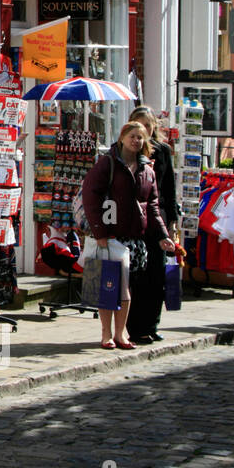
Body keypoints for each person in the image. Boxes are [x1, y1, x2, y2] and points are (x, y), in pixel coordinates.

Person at [80, 122, 176, 351]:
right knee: (109, 287)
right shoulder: (108, 164)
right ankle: (106, 334)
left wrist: (163, 234)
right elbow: (90, 197)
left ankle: (121, 333)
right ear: (122, 137)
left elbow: (152, 206)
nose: (136, 141)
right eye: (132, 136)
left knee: (127, 289)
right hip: (111, 235)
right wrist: (99, 232)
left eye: (140, 138)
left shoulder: (147, 169)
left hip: (135, 239)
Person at [125, 106, 179, 344]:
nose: (145, 130)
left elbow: (169, 187)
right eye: (140, 125)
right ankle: (135, 327)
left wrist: (173, 220)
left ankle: (152, 324)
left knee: (158, 273)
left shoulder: (163, 151)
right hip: (136, 219)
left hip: (159, 218)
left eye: (149, 125)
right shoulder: (129, 151)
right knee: (138, 275)